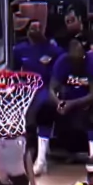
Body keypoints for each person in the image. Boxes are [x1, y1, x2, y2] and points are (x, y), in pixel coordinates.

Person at [12, 19, 64, 175]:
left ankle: (41, 160)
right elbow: (13, 72)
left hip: (45, 87)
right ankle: (18, 157)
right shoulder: (19, 49)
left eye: (38, 27)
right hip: (25, 89)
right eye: (32, 27)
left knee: (45, 107)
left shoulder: (54, 50)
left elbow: (62, 69)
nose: (34, 30)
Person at [50, 36, 93, 158]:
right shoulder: (62, 61)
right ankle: (47, 153)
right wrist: (58, 103)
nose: (77, 58)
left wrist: (73, 104)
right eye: (73, 56)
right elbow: (52, 88)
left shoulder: (91, 61)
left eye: (80, 55)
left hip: (87, 99)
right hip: (68, 99)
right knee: (47, 108)